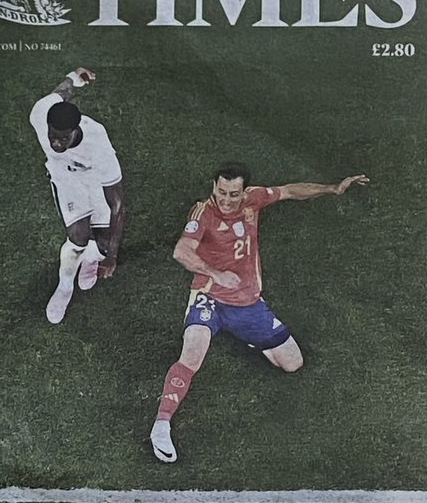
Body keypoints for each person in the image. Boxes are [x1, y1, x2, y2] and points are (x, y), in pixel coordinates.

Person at [149, 163, 370, 463]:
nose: (226, 200)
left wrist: (331, 188)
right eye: (221, 192)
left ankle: (248, 335)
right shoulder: (203, 213)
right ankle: (161, 424)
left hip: (247, 303)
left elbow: (291, 191)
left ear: (244, 191)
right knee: (192, 353)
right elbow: (182, 251)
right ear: (213, 186)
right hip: (209, 297)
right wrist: (217, 273)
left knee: (293, 363)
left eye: (233, 194)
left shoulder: (254, 199)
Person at [29, 66, 125, 325]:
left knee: (103, 244)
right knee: (78, 236)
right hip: (66, 178)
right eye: (52, 136)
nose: (56, 143)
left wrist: (112, 256)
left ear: (76, 130)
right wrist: (76, 77)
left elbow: (117, 205)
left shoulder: (99, 145)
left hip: (94, 180)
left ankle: (93, 257)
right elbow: (61, 92)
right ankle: (64, 287)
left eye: (62, 138)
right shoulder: (40, 113)